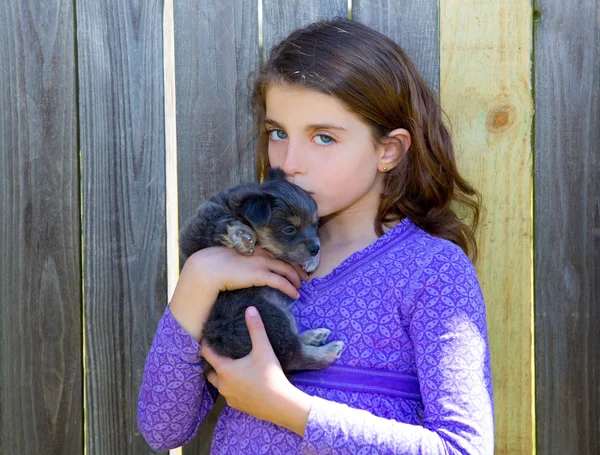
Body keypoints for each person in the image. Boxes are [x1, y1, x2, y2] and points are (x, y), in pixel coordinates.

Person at [138, 17, 494, 454]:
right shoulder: (242, 257)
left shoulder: (431, 270)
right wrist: (197, 280)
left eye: (323, 138)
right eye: (278, 133)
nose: (290, 162)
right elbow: (161, 429)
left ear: (388, 150)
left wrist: (285, 406)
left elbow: (463, 448)